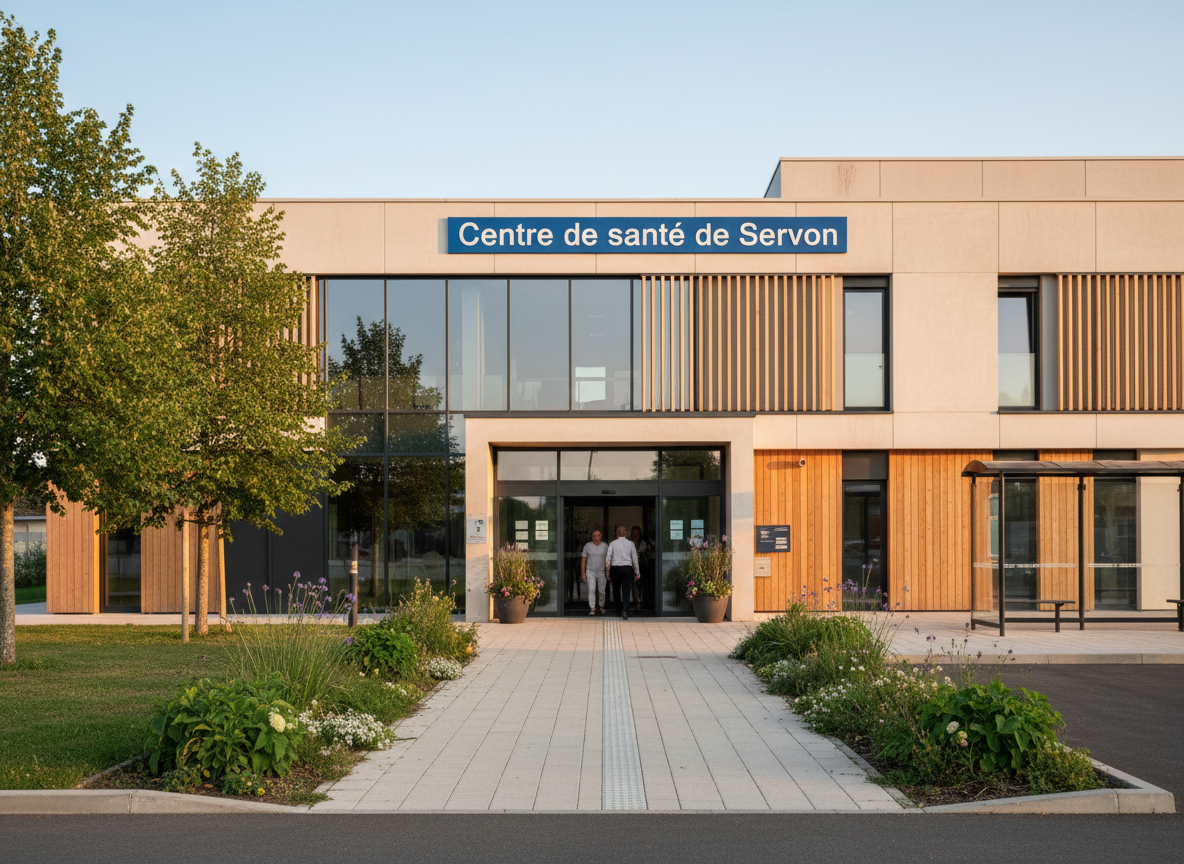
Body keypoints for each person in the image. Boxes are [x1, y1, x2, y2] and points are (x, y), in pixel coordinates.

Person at [606, 524, 640, 619]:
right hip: (626, 568)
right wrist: (637, 572)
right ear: (626, 533)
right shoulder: (630, 544)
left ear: (617, 533)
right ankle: (625, 610)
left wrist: (608, 572)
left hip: (615, 568)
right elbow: (634, 559)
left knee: (616, 590)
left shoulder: (612, 543)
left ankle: (617, 610)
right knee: (626, 590)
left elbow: (608, 559)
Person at [581, 529, 609, 616]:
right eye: (594, 536)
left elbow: (608, 560)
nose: (596, 537)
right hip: (590, 571)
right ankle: (592, 608)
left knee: (601, 590)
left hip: (601, 571)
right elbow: (584, 559)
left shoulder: (605, 546)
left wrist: (608, 571)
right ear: (592, 537)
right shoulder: (587, 546)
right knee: (591, 590)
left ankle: (601, 606)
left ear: (601, 536)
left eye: (598, 535)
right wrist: (583, 573)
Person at [630, 525, 648, 611]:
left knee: (640, 585)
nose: (635, 535)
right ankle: (635, 601)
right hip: (632, 566)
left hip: (641, 566)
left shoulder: (642, 542)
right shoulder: (630, 543)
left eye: (637, 533)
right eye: (634, 533)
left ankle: (640, 601)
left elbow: (642, 551)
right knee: (633, 584)